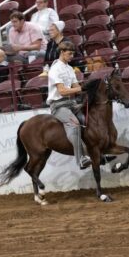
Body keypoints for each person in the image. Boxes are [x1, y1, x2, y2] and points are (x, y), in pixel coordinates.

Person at [46, 41, 92, 169]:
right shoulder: (55, 69)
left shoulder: (70, 68)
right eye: (69, 54)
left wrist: (87, 88)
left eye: (72, 54)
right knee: (74, 123)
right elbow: (62, 91)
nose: (72, 56)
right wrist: (80, 89)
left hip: (71, 103)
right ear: (61, 52)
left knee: (90, 116)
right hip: (58, 105)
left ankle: (98, 152)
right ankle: (81, 159)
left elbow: (77, 87)